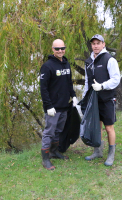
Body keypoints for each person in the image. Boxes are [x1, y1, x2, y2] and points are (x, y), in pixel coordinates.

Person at [40, 39, 78, 170]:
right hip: (52, 107)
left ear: (65, 49)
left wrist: (73, 95)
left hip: (64, 105)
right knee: (49, 132)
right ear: (52, 49)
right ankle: (45, 159)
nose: (60, 51)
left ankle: (54, 152)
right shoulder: (47, 66)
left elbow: (68, 83)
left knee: (58, 130)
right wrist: (48, 106)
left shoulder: (66, 64)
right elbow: (43, 89)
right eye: (57, 49)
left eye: (62, 48)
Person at [83, 34, 120, 166]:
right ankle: (97, 151)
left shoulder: (109, 59)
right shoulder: (88, 61)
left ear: (103, 44)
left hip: (107, 99)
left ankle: (111, 154)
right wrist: (84, 98)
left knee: (109, 127)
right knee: (96, 127)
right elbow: (87, 82)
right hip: (94, 100)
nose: (96, 46)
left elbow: (116, 79)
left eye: (98, 43)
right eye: (93, 43)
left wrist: (102, 86)